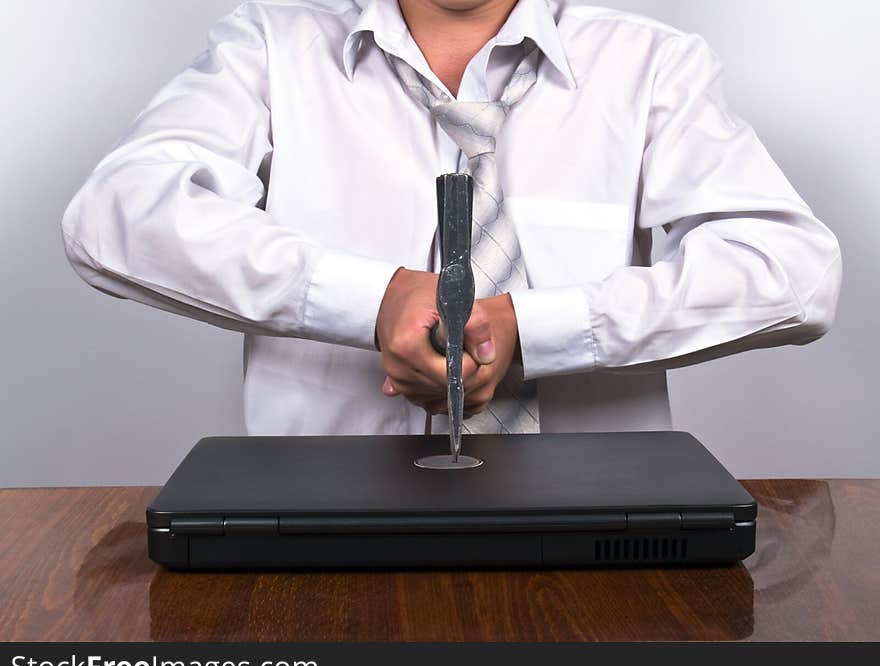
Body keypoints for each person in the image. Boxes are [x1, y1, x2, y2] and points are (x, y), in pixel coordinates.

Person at [61, 0, 842, 437]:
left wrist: (538, 329)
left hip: (596, 548)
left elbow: (793, 271)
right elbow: (115, 213)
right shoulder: (268, 48)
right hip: (320, 539)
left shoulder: (652, 65)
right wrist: (369, 301)